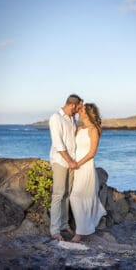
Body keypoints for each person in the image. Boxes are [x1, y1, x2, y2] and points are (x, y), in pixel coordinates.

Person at [70, 103, 107, 242]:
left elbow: (92, 153)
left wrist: (77, 164)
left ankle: (80, 233)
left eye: (81, 109)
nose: (79, 111)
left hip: (85, 167)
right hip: (75, 166)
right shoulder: (79, 128)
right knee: (78, 197)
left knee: (76, 197)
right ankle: (89, 222)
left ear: (87, 113)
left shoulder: (93, 130)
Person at [49, 94, 83, 241]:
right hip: (60, 161)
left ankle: (64, 224)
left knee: (67, 194)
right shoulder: (55, 118)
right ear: (72, 105)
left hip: (72, 162)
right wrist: (69, 161)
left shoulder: (72, 118)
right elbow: (58, 144)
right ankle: (54, 230)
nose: (78, 110)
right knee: (58, 194)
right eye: (78, 107)